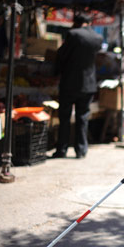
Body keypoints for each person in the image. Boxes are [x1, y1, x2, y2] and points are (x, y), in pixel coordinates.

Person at [52, 13, 103, 159]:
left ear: (76, 22)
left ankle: (62, 149)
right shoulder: (97, 37)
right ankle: (81, 150)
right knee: (83, 117)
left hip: (70, 83)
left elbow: (62, 55)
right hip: (88, 84)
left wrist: (55, 72)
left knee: (65, 117)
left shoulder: (73, 34)